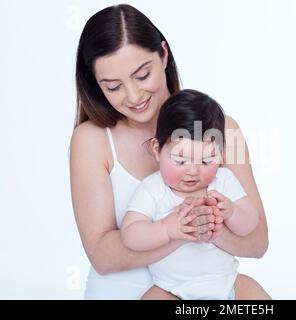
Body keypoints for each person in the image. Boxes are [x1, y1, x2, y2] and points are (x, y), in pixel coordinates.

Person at [70, 4, 269, 300]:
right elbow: (102, 255)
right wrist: (179, 231)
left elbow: (257, 241)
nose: (134, 96)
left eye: (142, 75)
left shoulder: (225, 130)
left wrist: (210, 229)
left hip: (212, 290)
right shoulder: (91, 140)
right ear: (96, 86)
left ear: (163, 54)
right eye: (113, 87)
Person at [121, 89, 265, 300]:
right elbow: (130, 235)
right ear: (156, 149)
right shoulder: (152, 189)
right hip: (171, 289)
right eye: (180, 161)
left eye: (207, 161)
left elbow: (250, 223)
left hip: (226, 281)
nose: (193, 171)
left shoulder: (223, 181)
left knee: (258, 297)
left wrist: (232, 213)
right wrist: (167, 229)